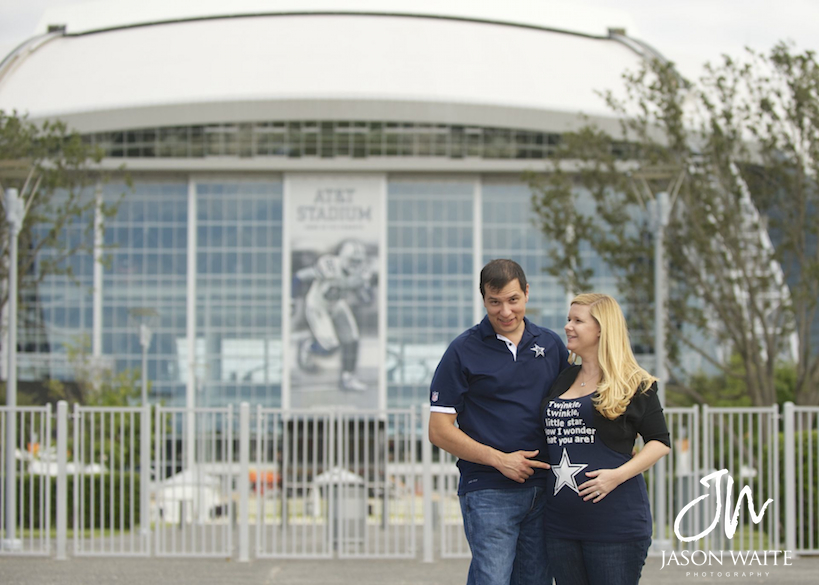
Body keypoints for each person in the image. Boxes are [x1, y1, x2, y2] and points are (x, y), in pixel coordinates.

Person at [429, 259, 569, 585]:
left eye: (513, 300)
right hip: (488, 489)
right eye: (495, 302)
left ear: (527, 293)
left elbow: (575, 408)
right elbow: (439, 430)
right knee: (492, 580)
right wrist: (500, 460)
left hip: (545, 489)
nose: (505, 311)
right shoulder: (462, 351)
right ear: (483, 299)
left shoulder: (550, 346)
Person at [542, 293, 670, 585]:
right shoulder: (562, 378)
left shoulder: (634, 382)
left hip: (615, 526)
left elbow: (660, 442)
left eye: (578, 321)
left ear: (601, 328)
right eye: (568, 319)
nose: (568, 327)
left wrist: (616, 477)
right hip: (560, 526)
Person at [292, 239, 376, 392]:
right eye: (352, 260)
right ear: (342, 258)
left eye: (358, 261)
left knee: (352, 339)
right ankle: (308, 346)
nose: (355, 264)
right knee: (330, 346)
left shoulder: (360, 273)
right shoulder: (329, 266)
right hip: (318, 305)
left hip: (337, 305)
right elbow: (299, 277)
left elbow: (365, 297)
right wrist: (291, 300)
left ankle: (348, 379)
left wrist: (365, 290)